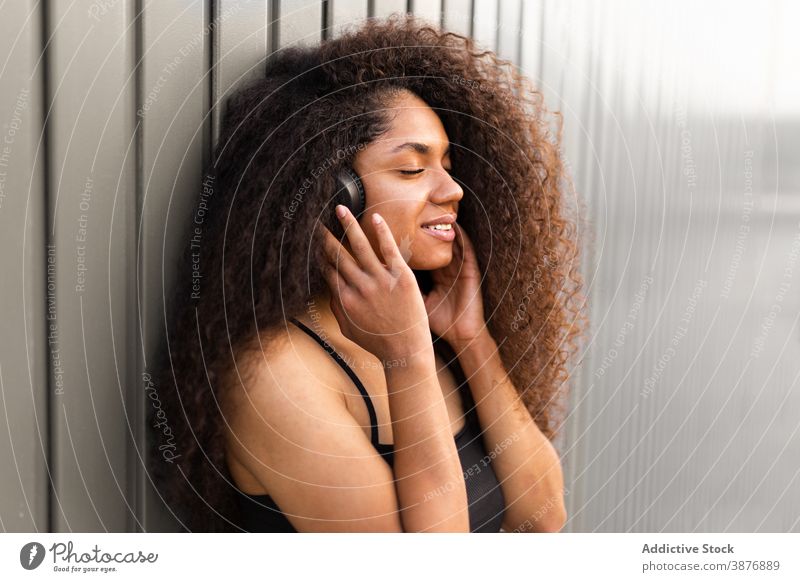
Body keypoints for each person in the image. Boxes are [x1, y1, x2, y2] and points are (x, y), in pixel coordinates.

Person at [151, 13, 587, 533]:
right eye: (412, 168)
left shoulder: (431, 331)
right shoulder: (278, 379)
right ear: (335, 193)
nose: (452, 191)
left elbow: (543, 517)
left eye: (447, 164)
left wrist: (472, 340)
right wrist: (405, 355)